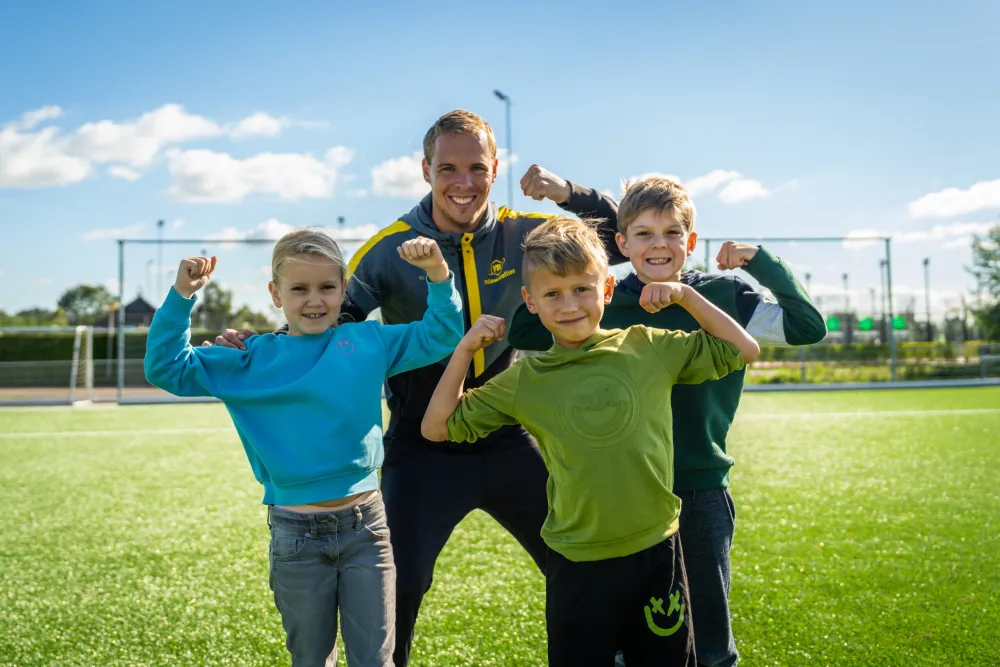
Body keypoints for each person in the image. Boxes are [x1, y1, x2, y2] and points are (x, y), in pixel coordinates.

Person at [211, 110, 624, 666]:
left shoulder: (524, 233)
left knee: (576, 553)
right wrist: (262, 346)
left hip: (507, 436)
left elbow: (619, 243)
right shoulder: (391, 247)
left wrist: (567, 192)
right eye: (447, 167)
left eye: (477, 168)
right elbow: (325, 321)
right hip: (421, 446)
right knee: (396, 586)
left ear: (495, 168)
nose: (463, 182)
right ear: (425, 169)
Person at [507, 176, 827, 667]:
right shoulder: (604, 297)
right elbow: (527, 325)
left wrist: (759, 260)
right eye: (643, 235)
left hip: (697, 486)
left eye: (672, 233)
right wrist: (599, 268)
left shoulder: (725, 294)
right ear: (621, 244)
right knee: (629, 643)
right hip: (621, 495)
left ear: (691, 242)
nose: (659, 245)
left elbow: (807, 327)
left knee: (710, 642)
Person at [421, 216, 760, 666]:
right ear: (531, 302)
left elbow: (744, 350)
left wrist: (686, 294)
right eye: (552, 294)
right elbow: (436, 426)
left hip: (657, 550)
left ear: (606, 289)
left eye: (582, 289)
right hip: (576, 561)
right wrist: (465, 349)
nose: (568, 305)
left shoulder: (648, 346)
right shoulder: (526, 379)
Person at [144, 228, 464, 667]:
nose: (315, 300)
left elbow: (442, 334)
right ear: (276, 294)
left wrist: (437, 273)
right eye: (299, 288)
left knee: (376, 660)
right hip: (296, 537)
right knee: (312, 660)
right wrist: (183, 295)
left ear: (343, 290)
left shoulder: (369, 342)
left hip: (367, 529)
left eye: (327, 287)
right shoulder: (246, 359)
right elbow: (165, 368)